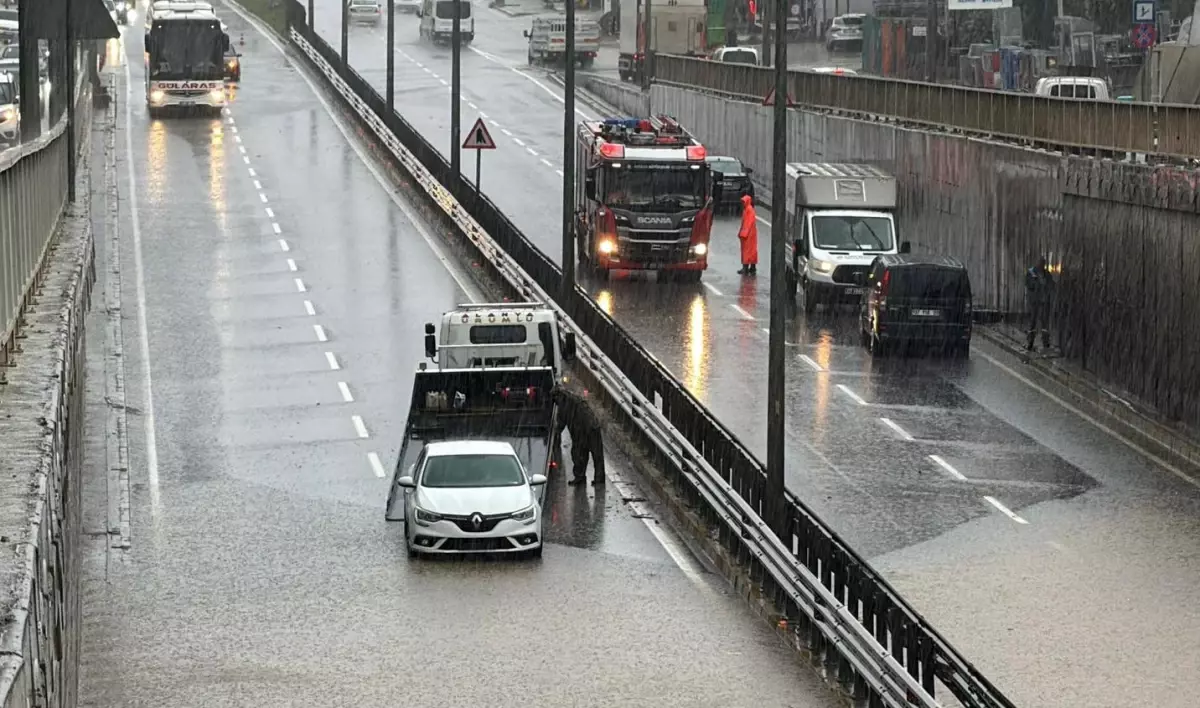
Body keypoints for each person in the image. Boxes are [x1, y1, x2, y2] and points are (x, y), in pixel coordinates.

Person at [552, 385, 606, 486]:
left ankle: (581, 477)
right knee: (594, 454)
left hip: (585, 429)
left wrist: (555, 434)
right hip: (591, 426)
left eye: (555, 400)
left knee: (580, 453)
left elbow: (560, 423)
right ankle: (597, 478)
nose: (556, 403)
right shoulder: (572, 399)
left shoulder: (565, 404)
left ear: (558, 396)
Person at [1024, 255, 1054, 351]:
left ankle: (1046, 342)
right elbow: (1029, 284)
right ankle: (1030, 342)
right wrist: (1038, 285)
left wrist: (1047, 291)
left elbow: (1051, 285)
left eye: (1043, 264)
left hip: (1044, 301)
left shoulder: (1047, 274)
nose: (1042, 265)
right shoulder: (1031, 272)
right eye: (1040, 263)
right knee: (1033, 322)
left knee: (1044, 323)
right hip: (1034, 302)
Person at [737, 193, 759, 275]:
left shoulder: (749, 210)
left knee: (747, 251)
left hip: (749, 234)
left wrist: (743, 233)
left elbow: (748, 223)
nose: (742, 203)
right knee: (751, 251)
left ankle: (745, 268)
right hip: (750, 234)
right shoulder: (747, 209)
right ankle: (752, 267)